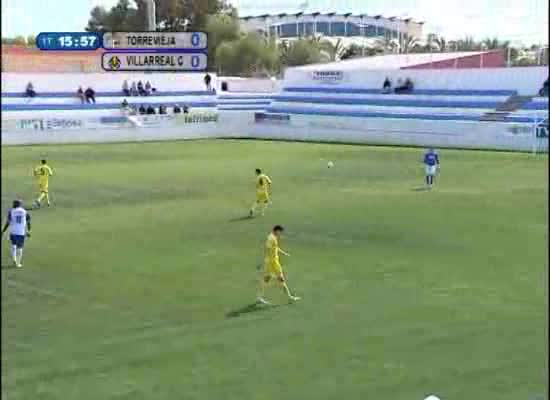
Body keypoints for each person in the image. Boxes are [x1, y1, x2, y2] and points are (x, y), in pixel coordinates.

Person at [257, 225, 300, 305]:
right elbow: (267, 249)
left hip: (274, 262)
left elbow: (275, 248)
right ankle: (290, 297)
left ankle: (260, 296)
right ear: (277, 230)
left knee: (271, 279)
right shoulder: (271, 238)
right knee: (276, 279)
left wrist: (284, 253)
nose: (280, 234)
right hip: (272, 263)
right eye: (280, 232)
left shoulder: (273, 237)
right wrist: (264, 261)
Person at [1, 200, 31, 268]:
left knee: (13, 246)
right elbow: (28, 222)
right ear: (20, 205)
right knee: (20, 248)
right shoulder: (25, 212)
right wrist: (28, 231)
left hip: (13, 232)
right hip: (21, 232)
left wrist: (3, 231)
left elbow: (8, 223)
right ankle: (18, 263)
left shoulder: (11, 211)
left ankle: (14, 260)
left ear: (15, 205)